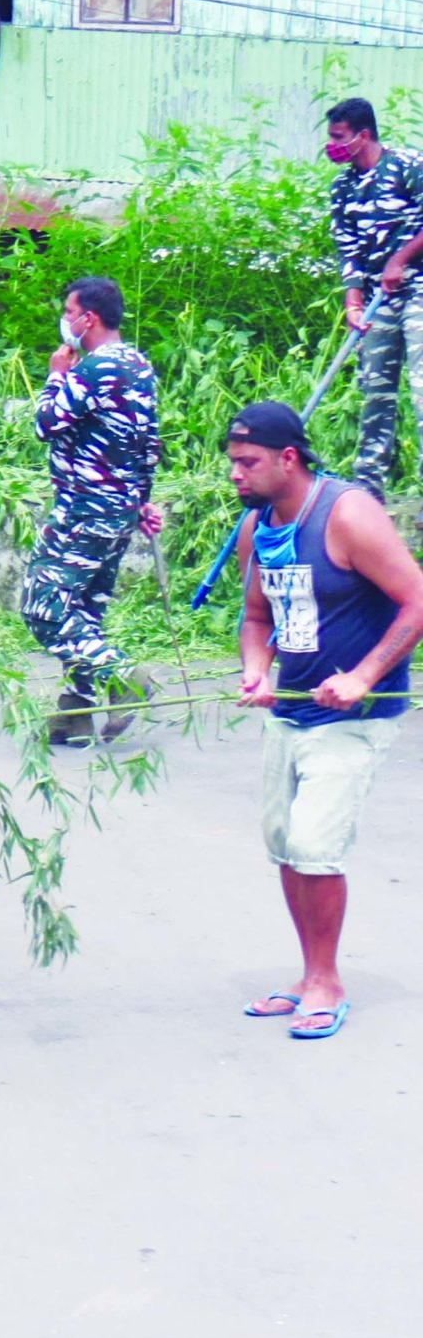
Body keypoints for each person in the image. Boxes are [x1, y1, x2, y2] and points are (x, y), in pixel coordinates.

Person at [228, 402, 423, 1043]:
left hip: (356, 714)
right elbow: (258, 619)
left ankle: (327, 982)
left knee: (315, 847)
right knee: (285, 845)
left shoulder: (345, 513)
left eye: (248, 462)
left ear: (289, 459)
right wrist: (258, 670)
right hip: (292, 709)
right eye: (232, 462)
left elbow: (416, 599)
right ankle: (309, 974)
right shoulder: (259, 526)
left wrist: (365, 675)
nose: (236, 474)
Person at [23, 277, 164, 745]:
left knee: (43, 606)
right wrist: (141, 500)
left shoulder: (96, 368)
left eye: (69, 311)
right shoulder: (139, 366)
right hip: (118, 510)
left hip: (84, 508)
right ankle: (74, 713)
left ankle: (122, 676)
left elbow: (47, 423)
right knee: (82, 610)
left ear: (90, 318)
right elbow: (147, 445)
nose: (65, 319)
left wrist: (55, 374)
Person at [323, 97, 423, 499]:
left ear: (363, 135)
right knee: (375, 391)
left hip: (417, 290)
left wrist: (400, 259)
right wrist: (353, 303)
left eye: (339, 137)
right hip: (377, 298)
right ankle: (368, 492)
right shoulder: (343, 186)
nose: (332, 145)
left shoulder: (408, 166)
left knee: (420, 387)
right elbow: (348, 249)